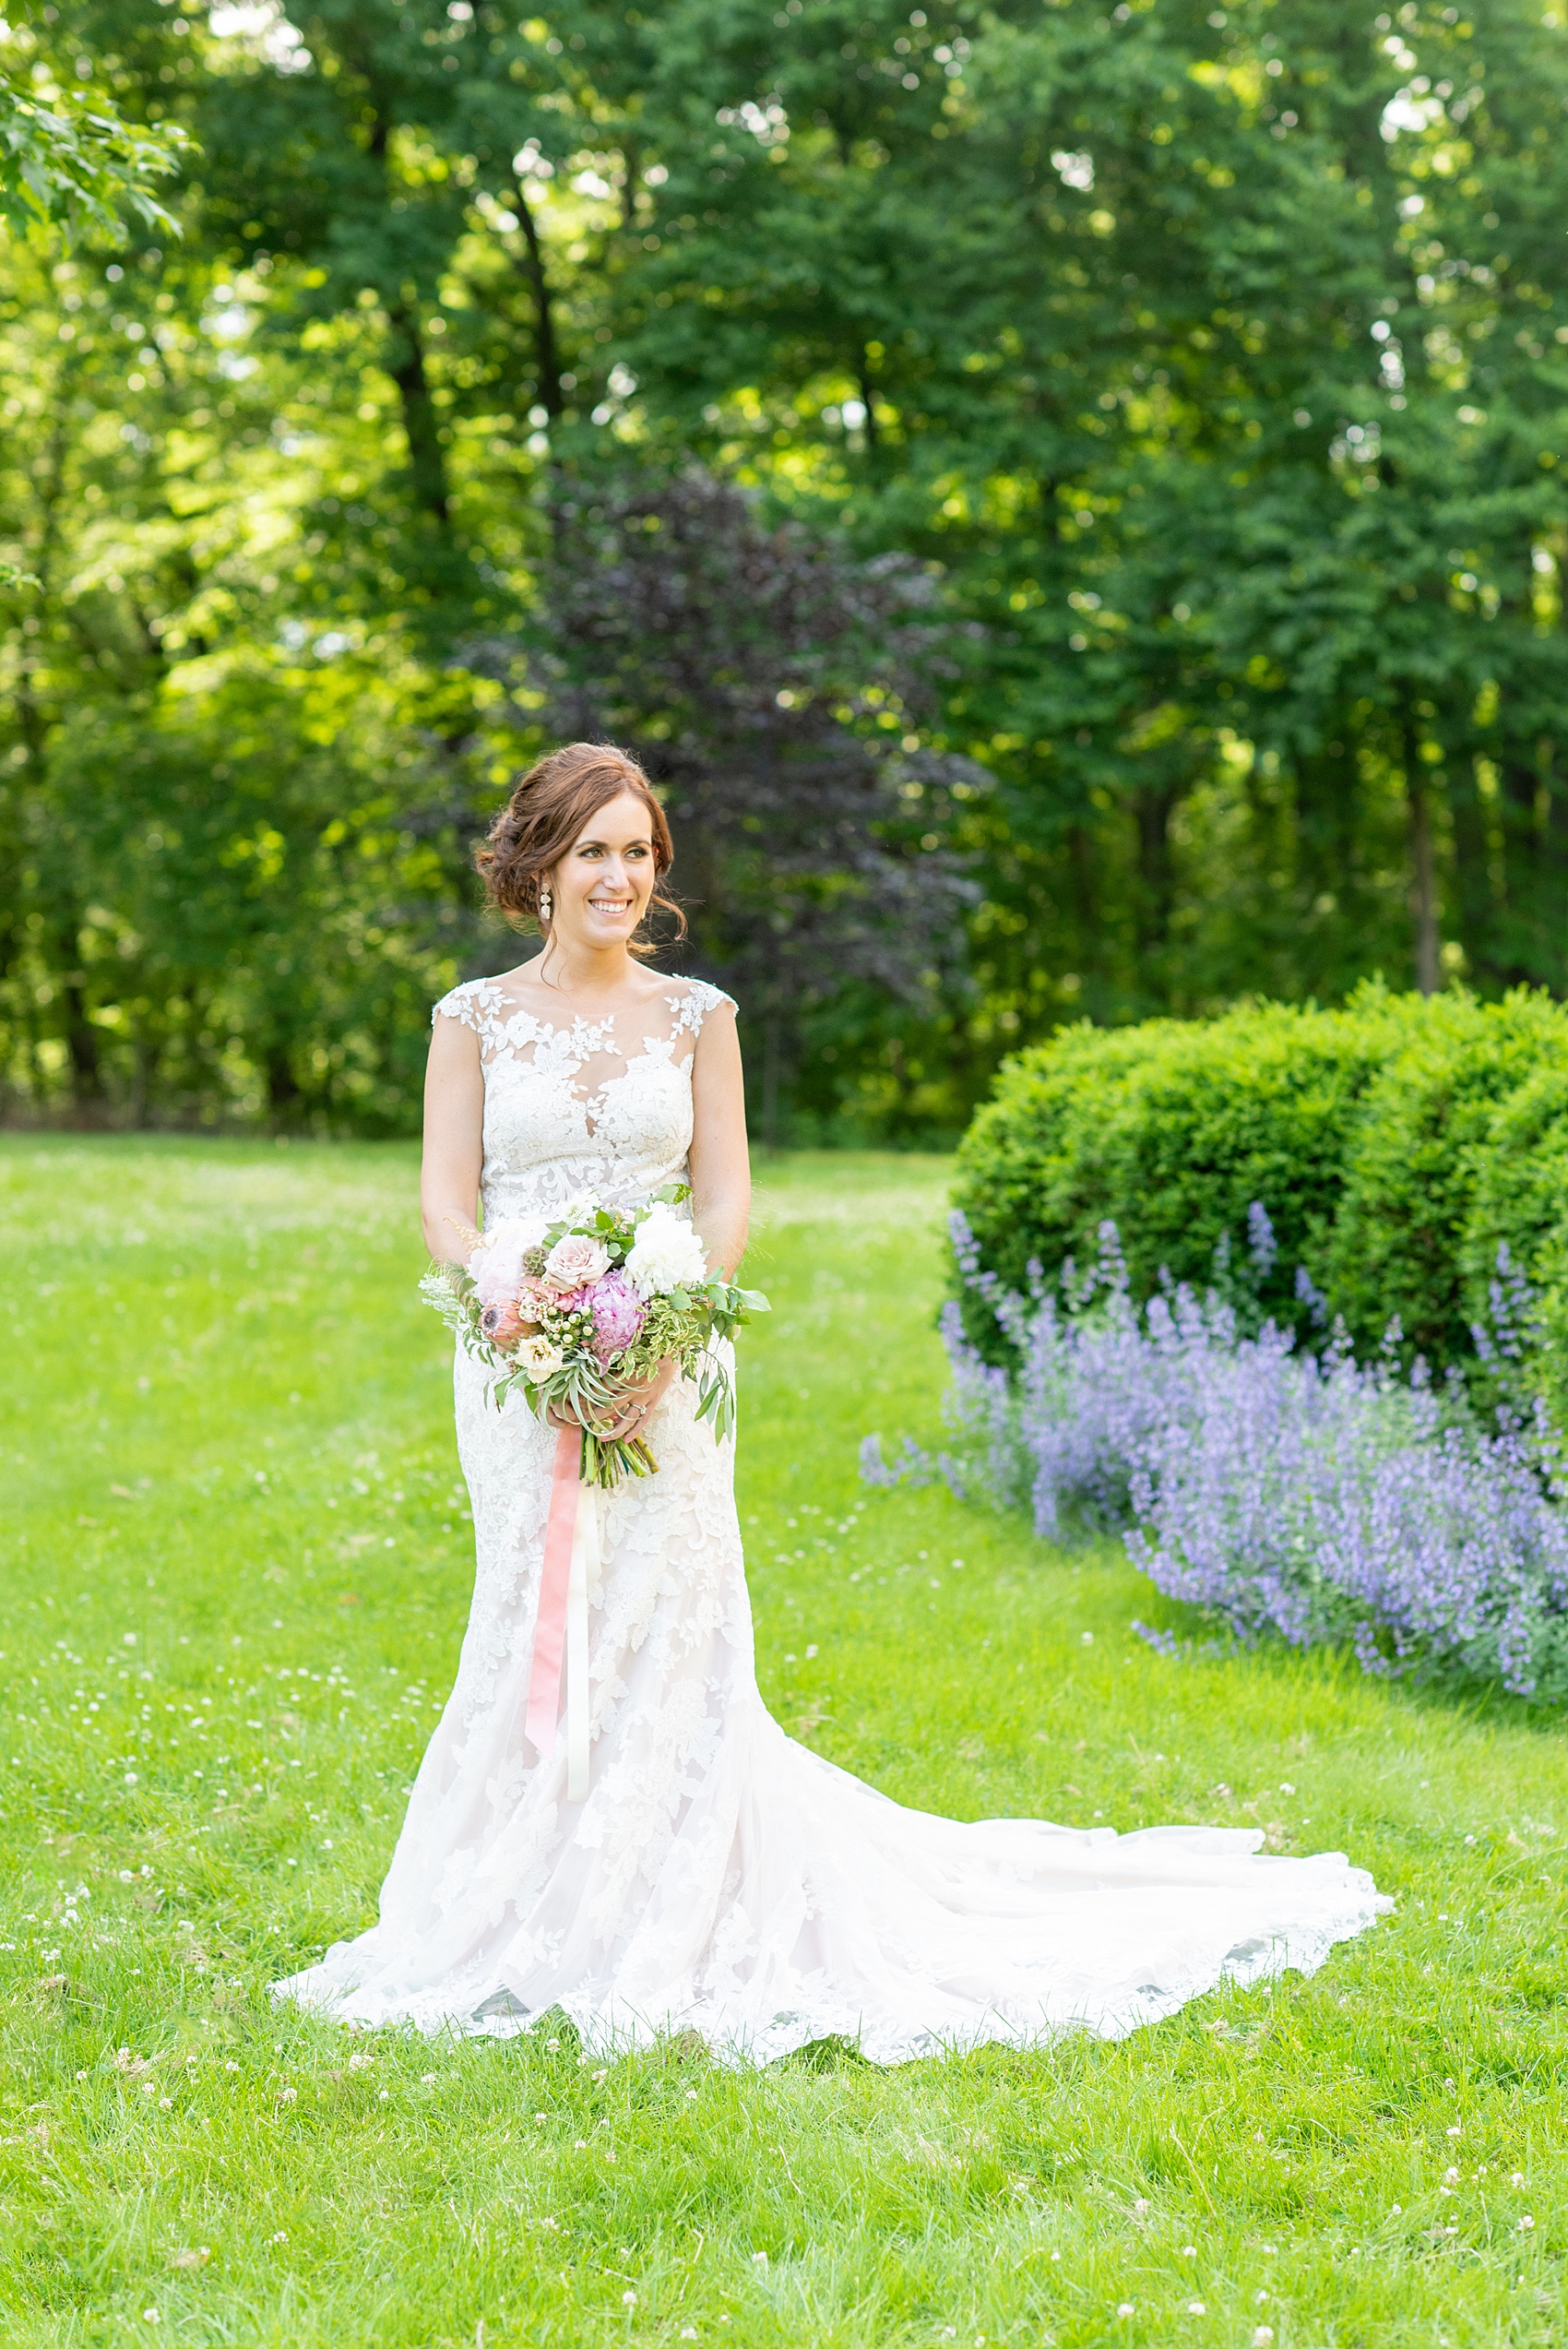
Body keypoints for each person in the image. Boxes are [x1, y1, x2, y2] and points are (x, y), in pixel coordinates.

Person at [275, 742, 1390, 2061]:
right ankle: (532, 1895)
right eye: (593, 850)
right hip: (516, 1365)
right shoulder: (472, 1019)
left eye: (639, 852)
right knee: (536, 1612)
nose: (619, 876)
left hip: (673, 1359)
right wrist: (510, 1303)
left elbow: (726, 1198)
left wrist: (669, 1331)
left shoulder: (699, 1017)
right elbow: (444, 1202)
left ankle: (672, 1895)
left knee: (667, 1623)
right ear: (537, 862)